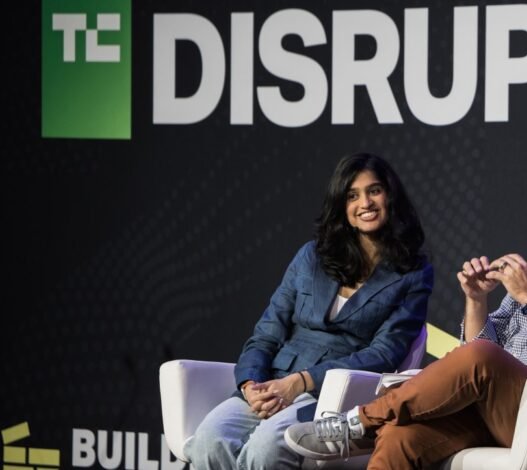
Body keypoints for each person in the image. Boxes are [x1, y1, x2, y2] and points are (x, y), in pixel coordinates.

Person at [285, 141, 527, 468]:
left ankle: (360, 423)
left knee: (481, 357)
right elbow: (478, 360)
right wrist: (477, 300)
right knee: (402, 438)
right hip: (502, 409)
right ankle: (374, 425)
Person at [182, 153, 434, 469]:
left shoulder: (413, 272)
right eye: (352, 195)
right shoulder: (312, 256)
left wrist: (301, 382)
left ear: (391, 196)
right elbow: (268, 330)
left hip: (332, 395)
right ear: (342, 206)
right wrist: (251, 386)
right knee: (209, 437)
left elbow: (385, 353)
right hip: (272, 382)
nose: (365, 203)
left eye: (375, 190)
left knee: (266, 449)